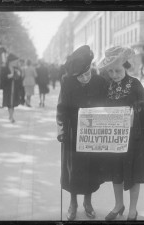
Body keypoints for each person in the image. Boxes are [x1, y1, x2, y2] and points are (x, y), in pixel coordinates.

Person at [98, 46, 144, 221]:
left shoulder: (135, 84)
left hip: (134, 137)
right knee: (116, 172)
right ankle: (118, 205)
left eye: (117, 70)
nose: (114, 74)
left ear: (125, 66)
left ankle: (132, 209)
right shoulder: (108, 86)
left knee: (134, 174)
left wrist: (136, 110)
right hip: (114, 138)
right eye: (110, 71)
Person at [56, 45, 107, 221]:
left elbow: (108, 105)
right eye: (80, 77)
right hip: (72, 132)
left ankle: (88, 202)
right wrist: (61, 129)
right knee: (73, 169)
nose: (85, 78)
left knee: (90, 168)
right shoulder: (67, 81)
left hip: (93, 132)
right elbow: (61, 107)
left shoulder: (100, 81)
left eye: (87, 74)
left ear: (91, 69)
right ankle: (73, 203)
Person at [1, 53, 22, 123]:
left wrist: (19, 75)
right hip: (8, 88)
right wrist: (8, 76)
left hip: (14, 88)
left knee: (12, 103)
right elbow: (2, 78)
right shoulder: (4, 68)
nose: (16, 63)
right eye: (15, 61)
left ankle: (11, 115)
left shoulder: (16, 69)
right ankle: (11, 116)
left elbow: (19, 80)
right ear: (10, 61)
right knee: (9, 103)